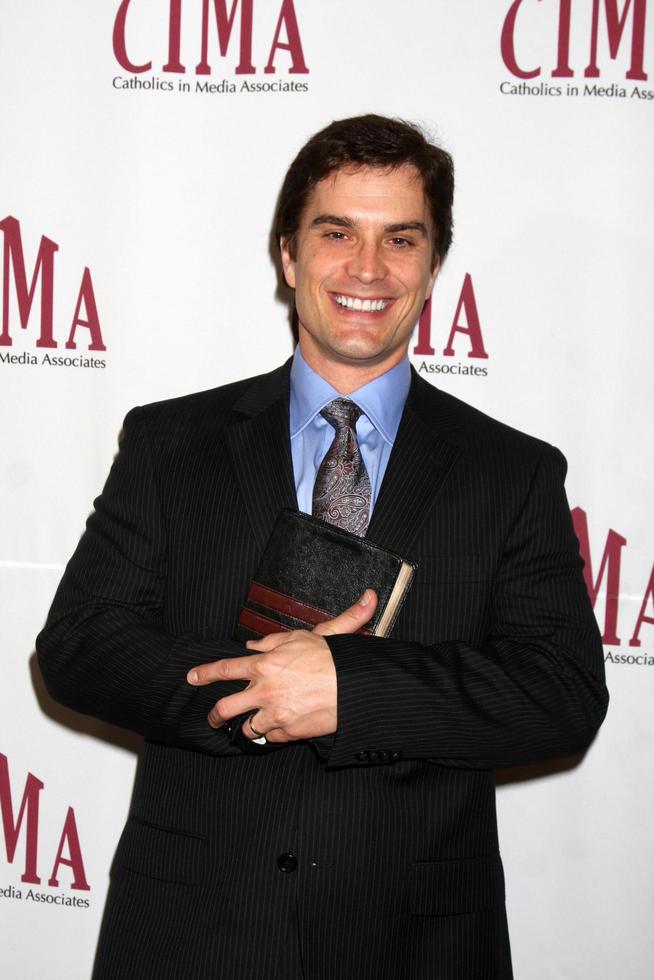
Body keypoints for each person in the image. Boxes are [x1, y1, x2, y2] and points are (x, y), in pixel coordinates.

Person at [37, 114, 608, 980]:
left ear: (432, 269)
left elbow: (562, 694)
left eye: (400, 240)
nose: (367, 269)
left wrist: (351, 690)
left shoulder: (512, 471)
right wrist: (258, 696)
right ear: (289, 256)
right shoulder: (170, 444)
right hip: (192, 930)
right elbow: (79, 649)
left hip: (416, 943)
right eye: (336, 233)